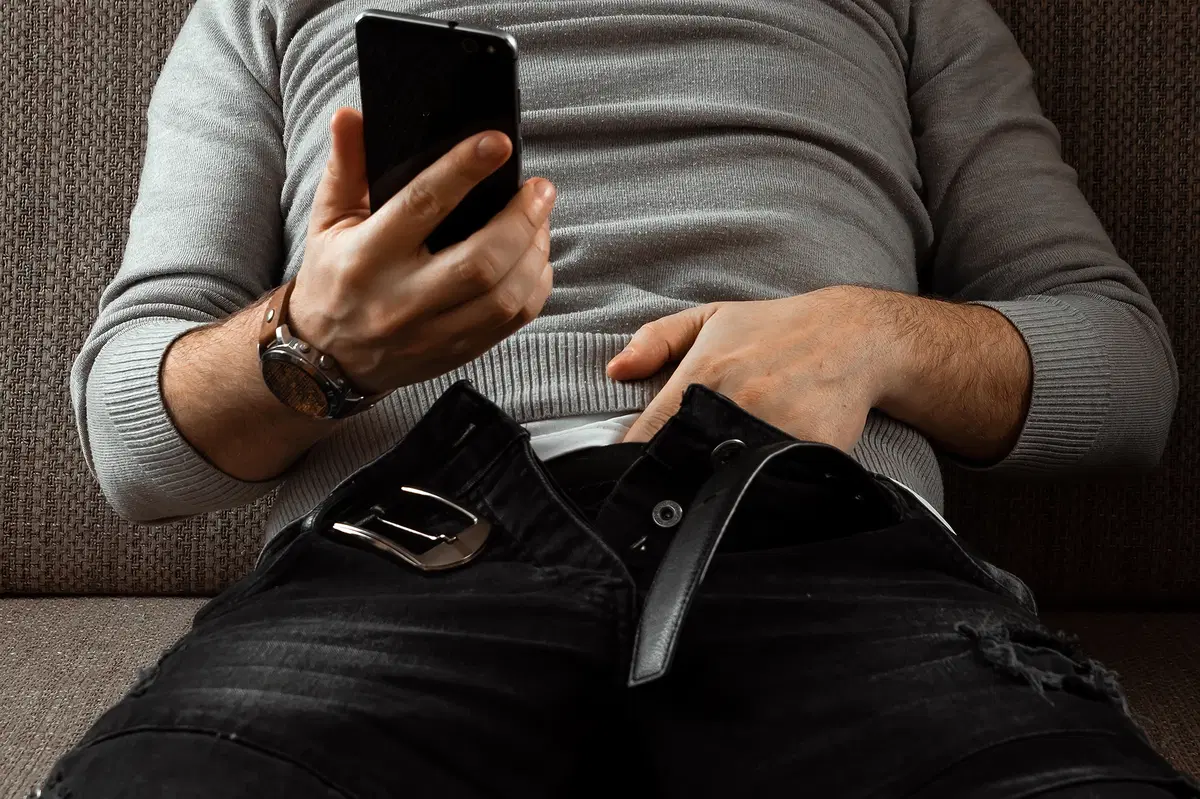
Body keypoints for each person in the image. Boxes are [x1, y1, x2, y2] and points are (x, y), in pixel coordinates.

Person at [45, 0, 1193, 794]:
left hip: (806, 528)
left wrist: (872, 336)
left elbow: (1127, 369)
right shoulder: (261, 9)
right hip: (413, 539)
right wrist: (315, 344)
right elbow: (130, 445)